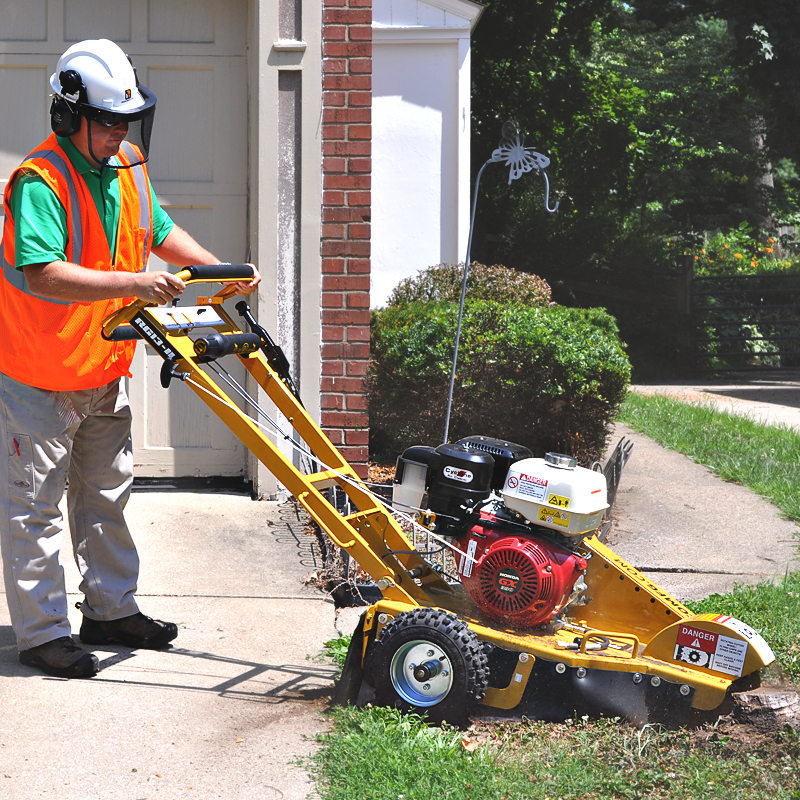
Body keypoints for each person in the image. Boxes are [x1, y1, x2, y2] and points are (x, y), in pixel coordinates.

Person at [0, 39, 260, 679]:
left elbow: (157, 228)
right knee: (34, 509)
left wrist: (214, 269)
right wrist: (137, 284)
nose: (120, 132)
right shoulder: (39, 181)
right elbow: (42, 273)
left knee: (107, 497)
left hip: (102, 367)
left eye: (127, 120)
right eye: (108, 121)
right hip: (40, 376)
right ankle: (42, 634)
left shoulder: (128, 165)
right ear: (69, 116)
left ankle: (110, 610)